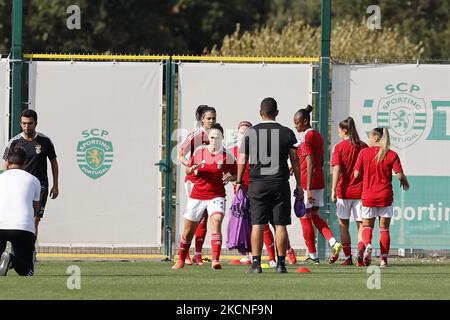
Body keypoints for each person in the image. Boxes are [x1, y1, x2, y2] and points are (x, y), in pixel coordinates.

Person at [236, 97, 302, 274]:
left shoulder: (251, 132)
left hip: (257, 184)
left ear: (260, 113)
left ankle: (256, 264)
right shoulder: (287, 132)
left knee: (257, 223)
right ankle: (281, 264)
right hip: (279, 183)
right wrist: (300, 184)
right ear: (277, 113)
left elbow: (242, 158)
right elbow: (295, 160)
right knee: (280, 224)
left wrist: (239, 180)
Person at [173, 123, 236, 270]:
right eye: (212, 137)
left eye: (218, 138)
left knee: (217, 220)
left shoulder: (228, 156)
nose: (215, 141)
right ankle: (181, 259)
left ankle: (215, 260)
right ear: (209, 137)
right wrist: (191, 169)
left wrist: (230, 177)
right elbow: (189, 171)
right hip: (198, 195)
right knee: (188, 231)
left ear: (223, 138)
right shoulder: (200, 152)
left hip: (217, 195)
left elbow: (235, 175)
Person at [293, 105, 342, 264]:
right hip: (318, 179)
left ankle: (313, 255)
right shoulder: (317, 136)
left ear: (305, 121)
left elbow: (310, 160)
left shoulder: (307, 137)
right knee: (314, 215)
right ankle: (333, 242)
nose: (295, 125)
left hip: (309, 181)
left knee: (304, 216)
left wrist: (307, 189)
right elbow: (316, 159)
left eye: (297, 122)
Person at [354, 128, 409, 267]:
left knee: (367, 226)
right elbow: (399, 175)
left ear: (376, 139)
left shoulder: (364, 153)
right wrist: (404, 181)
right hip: (385, 196)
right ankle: (383, 260)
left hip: (368, 196)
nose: (368, 140)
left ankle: (367, 245)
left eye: (370, 137)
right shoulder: (391, 154)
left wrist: (365, 177)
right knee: (384, 229)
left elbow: (356, 175)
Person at [2, 109, 59, 242]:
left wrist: (56, 185)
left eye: (30, 123)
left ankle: (30, 250)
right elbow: (6, 164)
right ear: (20, 124)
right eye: (24, 123)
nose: (27, 126)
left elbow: (54, 162)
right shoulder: (14, 142)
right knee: (18, 217)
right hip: (20, 187)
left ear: (36, 123)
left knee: (35, 219)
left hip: (41, 186)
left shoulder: (45, 141)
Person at [178, 105, 216, 266]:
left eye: (214, 118)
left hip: (208, 181)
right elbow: (180, 154)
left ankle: (198, 254)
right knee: (194, 218)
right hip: (194, 181)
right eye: (209, 118)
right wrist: (190, 165)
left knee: (205, 216)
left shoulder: (216, 135)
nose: (212, 121)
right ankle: (185, 254)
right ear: (202, 119)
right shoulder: (195, 135)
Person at [331, 117, 368, 266]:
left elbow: (337, 169)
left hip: (344, 191)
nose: (338, 133)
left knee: (343, 225)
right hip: (361, 192)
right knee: (361, 225)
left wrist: (333, 189)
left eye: (339, 130)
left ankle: (348, 258)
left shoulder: (339, 147)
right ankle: (360, 252)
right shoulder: (364, 146)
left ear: (344, 131)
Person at [0, 147, 40, 276]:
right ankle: (11, 260)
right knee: (27, 271)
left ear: (7, 162)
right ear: (25, 162)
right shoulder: (34, 180)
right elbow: (36, 210)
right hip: (22, 227)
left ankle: (5, 259)